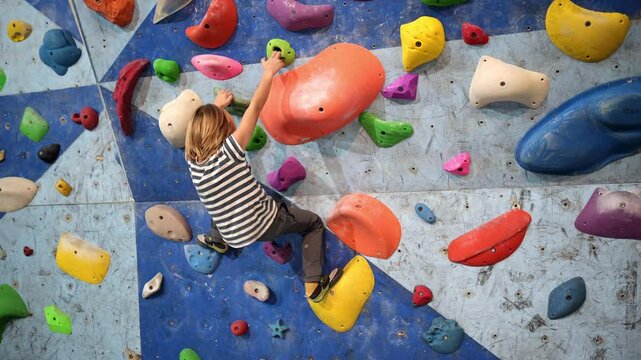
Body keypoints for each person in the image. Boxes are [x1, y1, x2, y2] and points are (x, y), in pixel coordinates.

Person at [184, 51, 341, 303]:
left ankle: (218, 240)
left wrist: (217, 108)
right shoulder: (231, 150)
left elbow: (201, 129)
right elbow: (255, 106)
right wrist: (268, 72)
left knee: (216, 198)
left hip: (232, 233)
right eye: (225, 118)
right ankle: (313, 284)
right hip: (264, 224)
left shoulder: (192, 161)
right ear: (223, 128)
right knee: (312, 224)